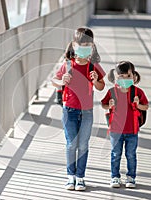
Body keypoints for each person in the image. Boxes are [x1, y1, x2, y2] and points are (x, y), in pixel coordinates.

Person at [52, 27, 106, 191]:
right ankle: (70, 177)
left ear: (92, 46)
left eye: (87, 45)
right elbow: (54, 80)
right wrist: (62, 81)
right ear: (74, 45)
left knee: (83, 145)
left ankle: (80, 177)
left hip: (87, 112)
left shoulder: (93, 66)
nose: (83, 48)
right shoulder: (68, 64)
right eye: (80, 45)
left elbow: (101, 87)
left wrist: (96, 80)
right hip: (69, 110)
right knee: (71, 144)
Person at [101, 61, 149, 188]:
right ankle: (115, 177)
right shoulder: (112, 92)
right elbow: (103, 104)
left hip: (132, 131)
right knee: (115, 154)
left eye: (128, 76)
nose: (125, 79)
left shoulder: (138, 92)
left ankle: (131, 177)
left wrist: (138, 105)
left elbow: (146, 107)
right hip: (116, 130)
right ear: (115, 77)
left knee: (131, 155)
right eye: (121, 76)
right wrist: (108, 105)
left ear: (134, 76)